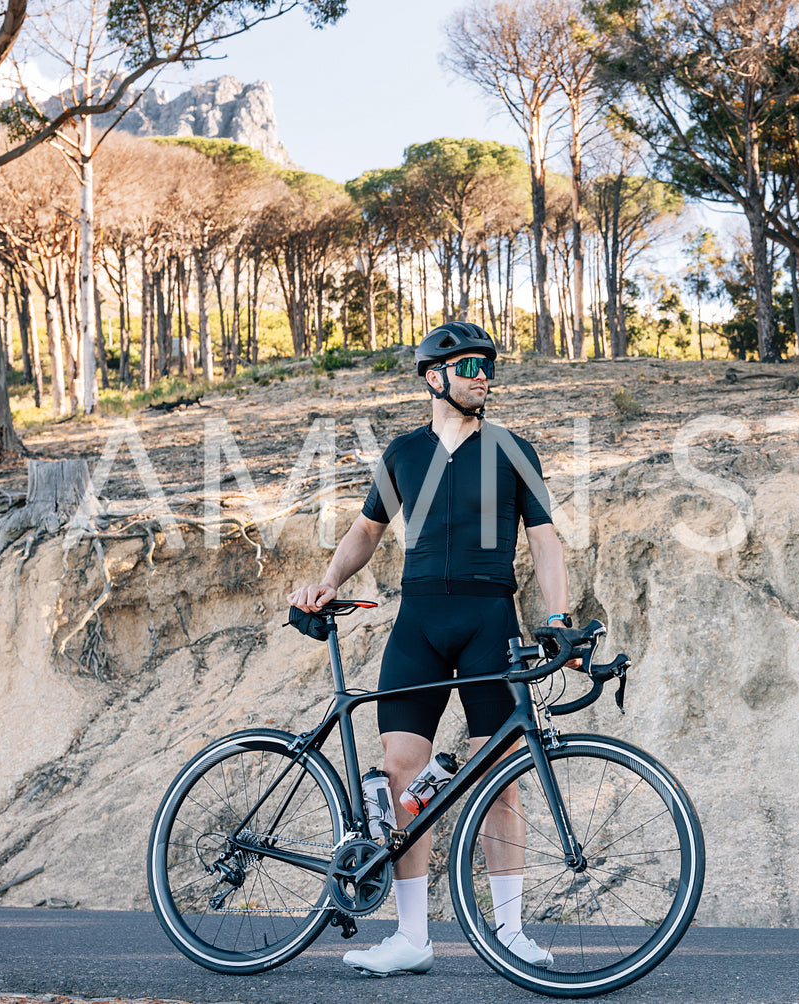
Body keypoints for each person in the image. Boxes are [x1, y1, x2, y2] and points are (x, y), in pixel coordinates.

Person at [289, 321, 568, 977]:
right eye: (470, 365)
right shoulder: (405, 454)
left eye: (489, 366)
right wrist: (328, 581)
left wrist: (555, 615)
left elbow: (545, 540)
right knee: (401, 779)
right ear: (433, 376)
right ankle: (410, 939)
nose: (483, 376)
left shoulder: (511, 448)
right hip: (418, 622)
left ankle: (510, 932)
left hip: (488, 621)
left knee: (501, 782)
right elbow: (365, 531)